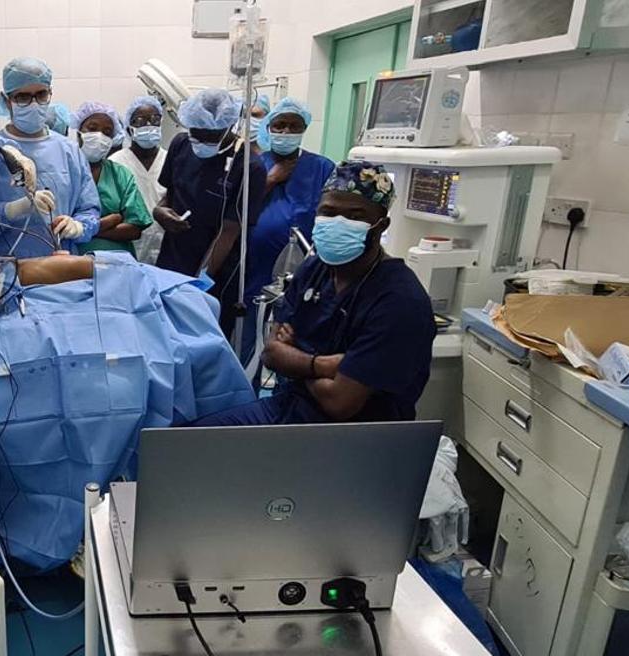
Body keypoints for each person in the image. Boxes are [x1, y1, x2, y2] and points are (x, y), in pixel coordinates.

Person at [191, 162, 436, 426]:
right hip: (290, 409)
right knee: (179, 444)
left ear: (381, 225)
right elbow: (272, 353)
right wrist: (324, 366)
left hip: (352, 437)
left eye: (354, 216)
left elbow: (339, 403)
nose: (338, 223)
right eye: (328, 212)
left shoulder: (397, 300)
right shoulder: (315, 268)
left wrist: (296, 361)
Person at [0, 57, 99, 259]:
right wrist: (11, 211)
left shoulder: (69, 151)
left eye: (41, 95)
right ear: (7, 101)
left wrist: (77, 226)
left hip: (59, 271)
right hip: (3, 271)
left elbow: (89, 209)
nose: (33, 104)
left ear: (50, 93)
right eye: (23, 97)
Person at [152, 88, 266, 338]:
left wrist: (200, 281)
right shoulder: (181, 144)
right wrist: (159, 212)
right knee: (164, 331)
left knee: (203, 336)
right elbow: (169, 194)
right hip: (173, 258)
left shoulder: (248, 166)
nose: (200, 141)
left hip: (216, 270)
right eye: (196, 133)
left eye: (210, 136)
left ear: (229, 127)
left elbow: (229, 231)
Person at [240, 98, 335, 366]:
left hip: (305, 268)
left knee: (297, 335)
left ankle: (289, 389)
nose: (285, 132)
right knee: (250, 337)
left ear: (304, 128)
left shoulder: (322, 168)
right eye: (279, 125)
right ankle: (248, 390)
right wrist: (270, 180)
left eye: (293, 126)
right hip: (256, 265)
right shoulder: (255, 165)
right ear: (268, 128)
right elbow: (237, 209)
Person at [71, 101, 152, 257]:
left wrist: (84, 231)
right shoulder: (65, 171)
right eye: (92, 128)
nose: (100, 135)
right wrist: (109, 222)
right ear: (79, 131)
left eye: (107, 132)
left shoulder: (120, 174)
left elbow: (135, 229)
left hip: (119, 264)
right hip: (72, 264)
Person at [110, 95, 168, 264]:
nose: (149, 125)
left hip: (165, 247)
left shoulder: (171, 159)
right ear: (129, 129)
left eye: (155, 119)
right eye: (140, 121)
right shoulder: (116, 163)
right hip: (129, 247)